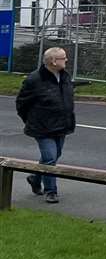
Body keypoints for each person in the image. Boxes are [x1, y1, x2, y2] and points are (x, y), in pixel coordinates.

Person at [14, 47, 76, 203]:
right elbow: (21, 104)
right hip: (42, 128)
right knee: (49, 159)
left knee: (54, 156)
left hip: (61, 125)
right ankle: (51, 191)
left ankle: (35, 178)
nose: (66, 60)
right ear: (53, 61)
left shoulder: (65, 76)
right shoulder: (34, 79)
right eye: (63, 58)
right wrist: (31, 120)